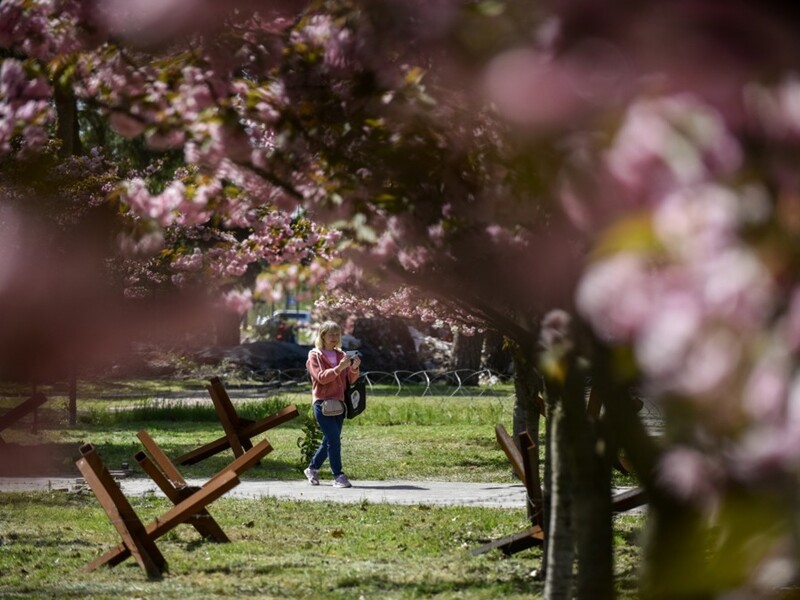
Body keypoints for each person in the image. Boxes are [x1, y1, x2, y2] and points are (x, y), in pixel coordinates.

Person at [304, 320, 361, 488]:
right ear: (323, 336)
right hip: (322, 404)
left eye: (337, 334)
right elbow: (321, 377)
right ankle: (338, 475)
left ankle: (312, 468)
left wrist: (354, 369)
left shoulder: (341, 355)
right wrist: (339, 368)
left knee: (328, 440)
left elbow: (350, 380)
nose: (335, 338)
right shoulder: (314, 355)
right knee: (334, 440)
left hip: (339, 403)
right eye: (331, 334)